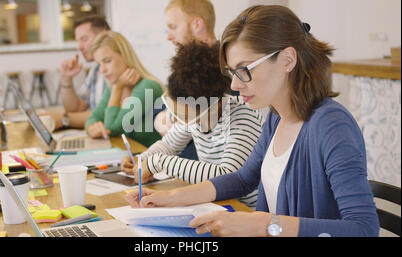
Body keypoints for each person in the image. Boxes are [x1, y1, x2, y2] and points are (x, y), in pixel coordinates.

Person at [126, 5, 379, 237]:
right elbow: (242, 178)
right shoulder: (276, 118)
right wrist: (170, 199)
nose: (235, 85)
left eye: (244, 70)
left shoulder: (332, 125)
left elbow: (364, 228)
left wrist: (264, 224)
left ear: (287, 60)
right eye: (232, 73)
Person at [123, 41, 263, 208]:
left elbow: (226, 176)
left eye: (182, 115)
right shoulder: (194, 116)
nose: (177, 120)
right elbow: (168, 145)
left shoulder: (243, 117)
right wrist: (142, 159)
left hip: (245, 211)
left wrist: (159, 162)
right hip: (215, 204)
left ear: (209, 108)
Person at [154, 0, 223, 160]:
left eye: (173, 27)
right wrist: (167, 117)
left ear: (197, 24)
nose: (169, 37)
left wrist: (169, 118)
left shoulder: (224, 71)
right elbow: (158, 108)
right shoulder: (187, 66)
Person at [84, 31, 164, 147]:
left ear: (125, 56)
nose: (102, 70)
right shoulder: (112, 87)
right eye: (99, 64)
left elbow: (112, 128)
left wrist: (117, 88)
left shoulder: (148, 87)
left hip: (152, 161)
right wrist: (92, 127)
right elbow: (93, 118)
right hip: (131, 157)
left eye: (107, 61)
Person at [46, 16, 110, 130]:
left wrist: (63, 119)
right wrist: (66, 79)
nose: (79, 47)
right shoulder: (96, 69)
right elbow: (76, 109)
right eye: (78, 41)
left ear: (103, 36)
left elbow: (105, 116)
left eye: (84, 39)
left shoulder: (117, 69)